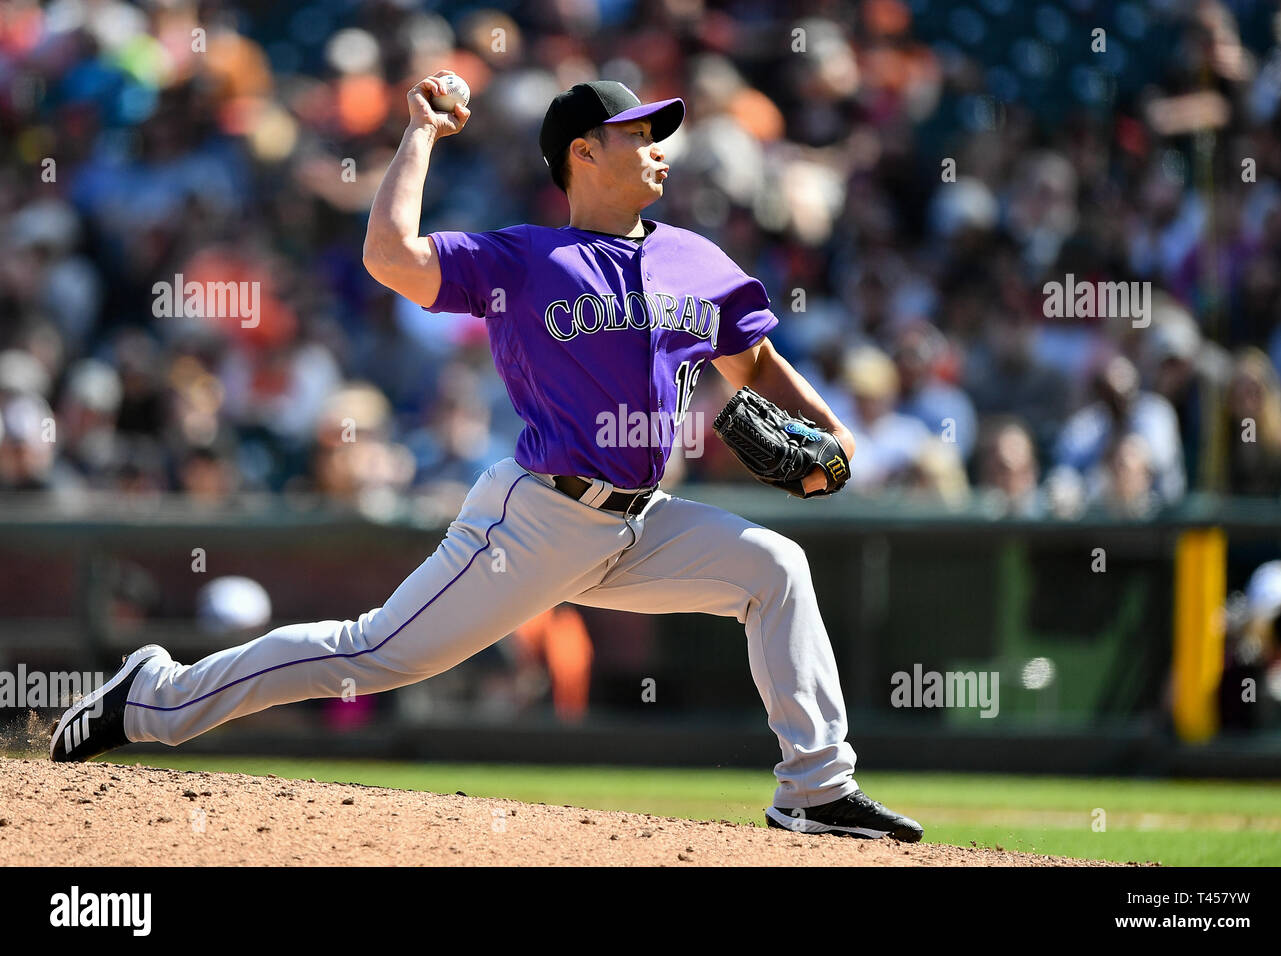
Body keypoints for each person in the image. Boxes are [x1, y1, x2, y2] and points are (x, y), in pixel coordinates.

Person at [50, 74, 922, 842]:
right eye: (637, 135)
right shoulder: (523, 258)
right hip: (538, 516)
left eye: (658, 134)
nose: (658, 149)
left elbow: (756, 362)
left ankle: (815, 791)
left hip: (639, 522)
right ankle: (154, 696)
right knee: (371, 655)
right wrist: (422, 132)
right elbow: (388, 257)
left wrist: (832, 431)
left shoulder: (697, 259)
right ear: (583, 153)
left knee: (775, 567)